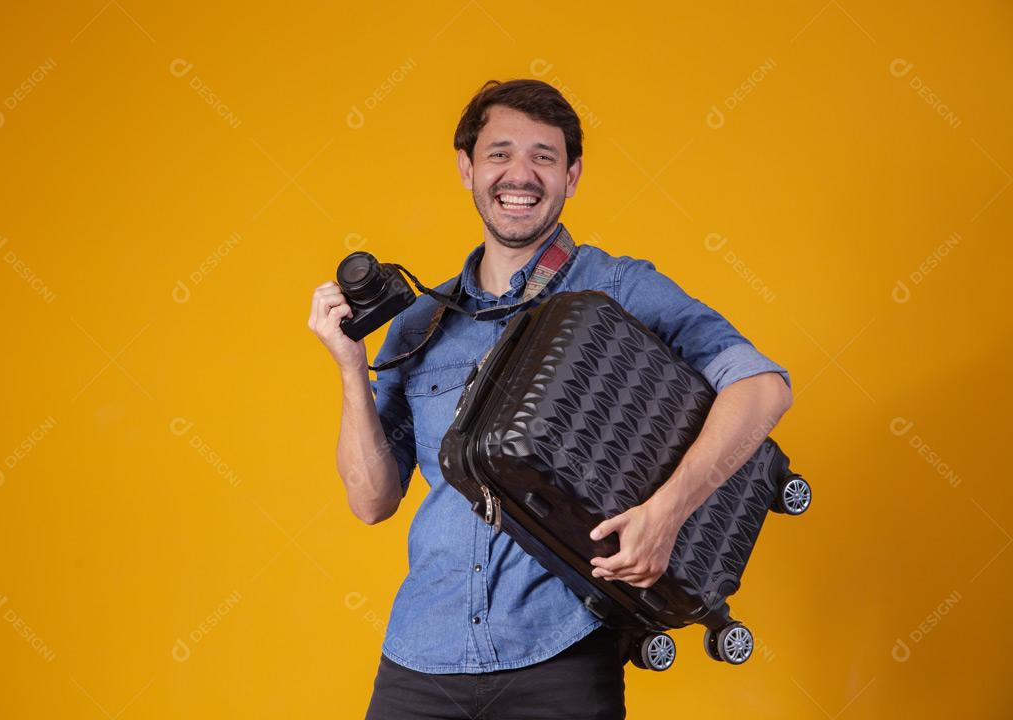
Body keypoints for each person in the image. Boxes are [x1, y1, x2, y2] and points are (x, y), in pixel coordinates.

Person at [307, 79, 793, 720]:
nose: (521, 174)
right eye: (500, 153)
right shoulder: (419, 324)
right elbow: (372, 501)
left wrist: (667, 512)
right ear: (467, 169)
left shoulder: (619, 287)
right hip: (420, 658)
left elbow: (762, 388)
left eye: (544, 156)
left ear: (573, 175)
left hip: (560, 656)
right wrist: (348, 366)